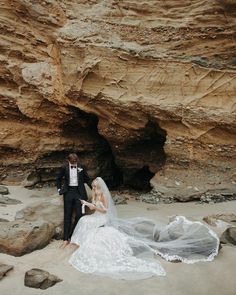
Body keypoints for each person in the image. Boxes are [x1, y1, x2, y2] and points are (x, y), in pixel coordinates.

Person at [68, 177, 219, 280]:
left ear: (99, 186)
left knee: (87, 222)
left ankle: (79, 242)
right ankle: (77, 241)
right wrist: (89, 205)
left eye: (95, 186)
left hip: (102, 216)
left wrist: (92, 206)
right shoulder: (95, 193)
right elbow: (94, 208)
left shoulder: (103, 196)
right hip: (96, 215)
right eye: (93, 186)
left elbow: (105, 210)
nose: (93, 188)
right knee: (84, 220)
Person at [56, 153, 91, 248]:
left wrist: (94, 189)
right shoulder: (64, 167)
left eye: (75, 163)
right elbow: (58, 179)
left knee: (80, 215)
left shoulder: (81, 167)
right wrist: (59, 189)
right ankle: (65, 239)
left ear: (77, 161)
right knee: (67, 215)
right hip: (68, 192)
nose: (74, 165)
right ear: (68, 161)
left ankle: (73, 235)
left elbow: (87, 179)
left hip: (79, 192)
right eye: (72, 163)